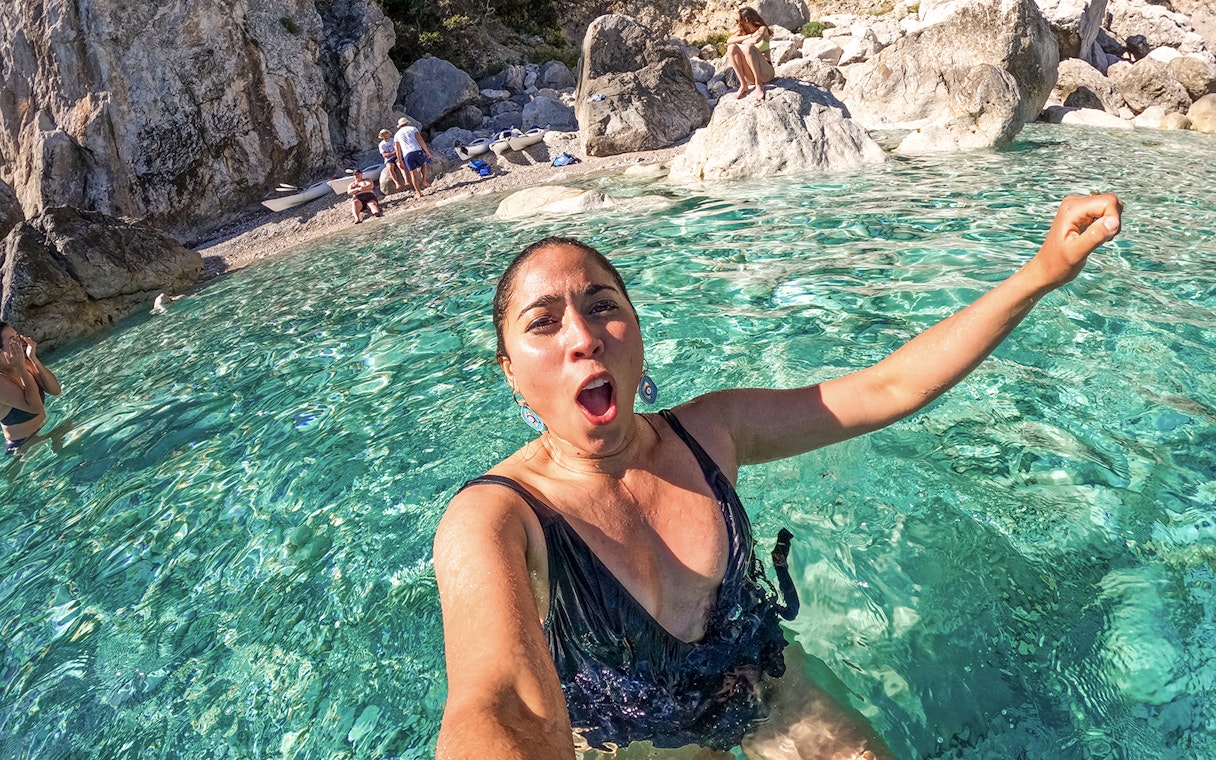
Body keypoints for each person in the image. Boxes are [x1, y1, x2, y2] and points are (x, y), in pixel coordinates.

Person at [432, 194, 1124, 759]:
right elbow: (503, 704)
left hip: (762, 690)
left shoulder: (714, 431)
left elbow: (888, 388)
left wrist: (1038, 273)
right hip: (633, 742)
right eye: (544, 323)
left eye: (603, 305)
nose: (582, 336)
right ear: (511, 375)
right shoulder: (495, 518)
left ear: (638, 334)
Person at [0, 322, 62, 455]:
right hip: (23, 449)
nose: (19, 343)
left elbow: (55, 390)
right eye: (13, 341)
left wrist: (33, 359)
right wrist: (21, 369)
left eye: (18, 337)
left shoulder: (24, 363)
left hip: (46, 430)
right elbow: (35, 408)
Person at [727, 6, 775, 102]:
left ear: (746, 20)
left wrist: (745, 40)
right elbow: (729, 41)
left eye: (738, 21)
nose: (736, 23)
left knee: (749, 47)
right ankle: (743, 85)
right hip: (750, 75)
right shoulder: (743, 32)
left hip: (766, 72)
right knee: (731, 48)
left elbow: (755, 40)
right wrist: (749, 36)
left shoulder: (762, 29)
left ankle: (759, 84)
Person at [393, 117, 433, 199]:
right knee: (423, 164)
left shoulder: (396, 135)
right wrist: (426, 151)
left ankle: (418, 192)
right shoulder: (413, 129)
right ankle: (424, 180)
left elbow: (397, 149)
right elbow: (420, 140)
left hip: (407, 154)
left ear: (400, 126)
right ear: (407, 123)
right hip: (416, 150)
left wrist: (400, 160)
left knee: (413, 174)